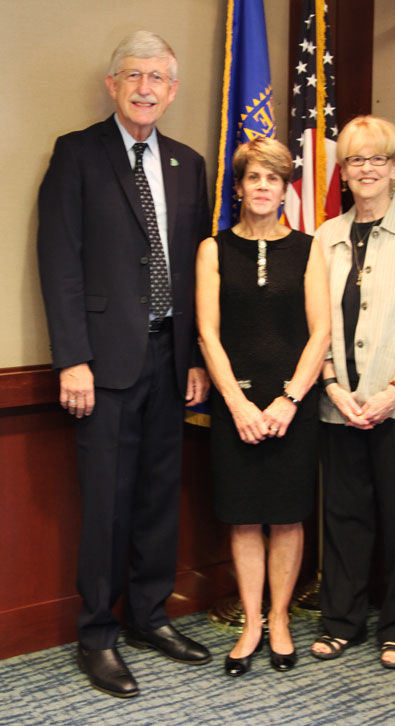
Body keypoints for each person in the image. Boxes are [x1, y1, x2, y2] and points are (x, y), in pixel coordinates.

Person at [37, 31, 212, 698]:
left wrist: (194, 356)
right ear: (112, 85)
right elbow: (59, 262)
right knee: (107, 505)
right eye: (133, 75)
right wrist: (72, 359)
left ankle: (147, 617)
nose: (145, 87)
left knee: (157, 500)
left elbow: (197, 273)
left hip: (171, 360)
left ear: (173, 89)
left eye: (158, 77)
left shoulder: (187, 164)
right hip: (104, 365)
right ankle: (97, 635)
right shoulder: (77, 154)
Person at [310, 116, 395, 669]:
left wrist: (392, 390)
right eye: (355, 160)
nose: (366, 169)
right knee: (344, 517)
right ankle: (342, 620)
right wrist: (333, 386)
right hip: (338, 403)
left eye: (377, 159)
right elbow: (315, 323)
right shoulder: (325, 237)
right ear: (341, 171)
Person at [196, 137, 330, 676]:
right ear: (239, 186)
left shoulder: (308, 247)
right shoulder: (213, 249)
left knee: (288, 515)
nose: (262, 187)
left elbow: (320, 332)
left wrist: (289, 399)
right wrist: (238, 404)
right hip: (237, 407)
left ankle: (279, 618)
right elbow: (208, 333)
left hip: (292, 405)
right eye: (254, 177)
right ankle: (251, 621)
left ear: (284, 189)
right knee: (245, 516)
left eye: (272, 179)